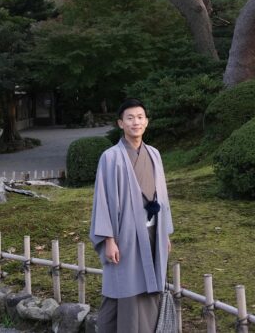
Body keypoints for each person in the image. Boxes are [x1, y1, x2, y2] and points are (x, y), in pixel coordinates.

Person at [89, 97, 174, 333]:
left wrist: (165, 232)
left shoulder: (154, 154)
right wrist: (108, 239)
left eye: (139, 117)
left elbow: (162, 196)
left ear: (146, 122)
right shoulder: (111, 156)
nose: (135, 122)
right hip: (124, 233)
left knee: (150, 282)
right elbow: (103, 200)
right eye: (130, 118)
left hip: (153, 230)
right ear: (120, 123)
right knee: (124, 283)